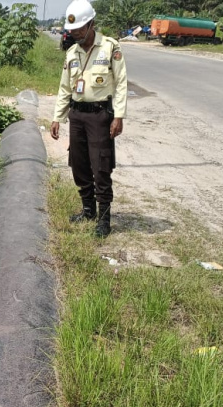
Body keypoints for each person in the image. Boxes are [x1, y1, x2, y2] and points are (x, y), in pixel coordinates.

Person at [51, 0, 128, 238]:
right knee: (79, 164)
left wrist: (119, 115)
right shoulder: (72, 51)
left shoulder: (109, 47)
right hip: (77, 115)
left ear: (91, 24)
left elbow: (122, 82)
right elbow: (65, 88)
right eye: (72, 31)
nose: (74, 34)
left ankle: (104, 219)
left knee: (101, 167)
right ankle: (88, 210)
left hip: (100, 116)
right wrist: (57, 118)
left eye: (79, 30)